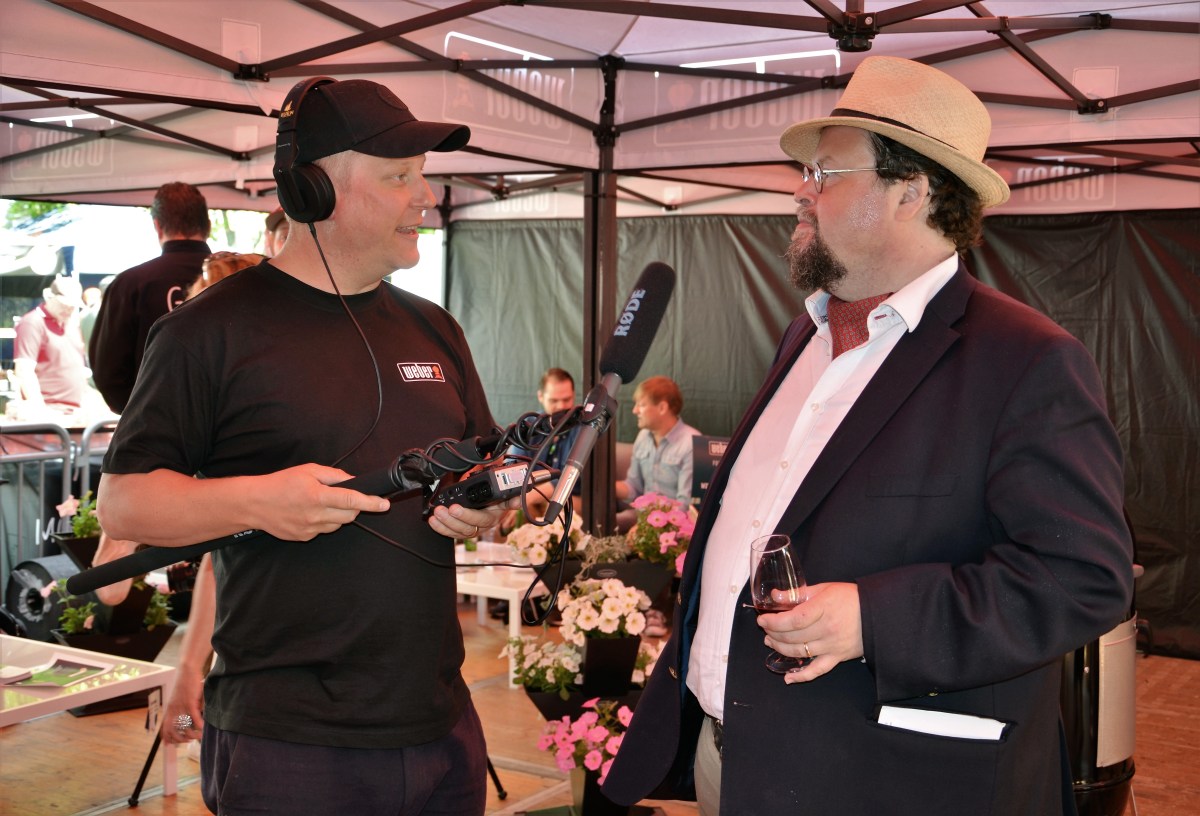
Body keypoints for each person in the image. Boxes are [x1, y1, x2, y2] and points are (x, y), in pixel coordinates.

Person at [602, 56, 1133, 816]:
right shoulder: (805, 336)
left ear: (910, 192)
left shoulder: (1026, 360)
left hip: (890, 782)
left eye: (823, 173)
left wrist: (874, 620)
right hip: (738, 762)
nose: (800, 190)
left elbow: (1081, 578)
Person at [95, 77, 506, 816]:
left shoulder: (436, 329)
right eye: (400, 177)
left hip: (443, 727)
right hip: (290, 747)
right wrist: (258, 501)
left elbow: (488, 468)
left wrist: (487, 506)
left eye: (423, 176)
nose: (426, 197)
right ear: (315, 191)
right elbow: (124, 504)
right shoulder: (206, 332)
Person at [88, 181, 212, 414]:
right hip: (232, 427)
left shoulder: (130, 284)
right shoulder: (241, 277)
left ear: (157, 226)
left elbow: (108, 373)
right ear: (208, 225)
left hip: (155, 424)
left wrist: (142, 413)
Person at [10, 275, 88, 420]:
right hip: (50, 412)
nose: (69, 309)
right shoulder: (32, 322)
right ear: (49, 297)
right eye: (64, 304)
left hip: (75, 413)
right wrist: (41, 411)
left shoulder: (72, 324)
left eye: (73, 306)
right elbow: (24, 370)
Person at [616, 375, 700, 506]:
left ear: (662, 408)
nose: (634, 410)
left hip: (673, 518)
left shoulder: (691, 443)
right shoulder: (643, 436)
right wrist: (603, 485)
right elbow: (634, 487)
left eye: (641, 405)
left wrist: (653, 518)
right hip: (643, 514)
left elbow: (685, 504)